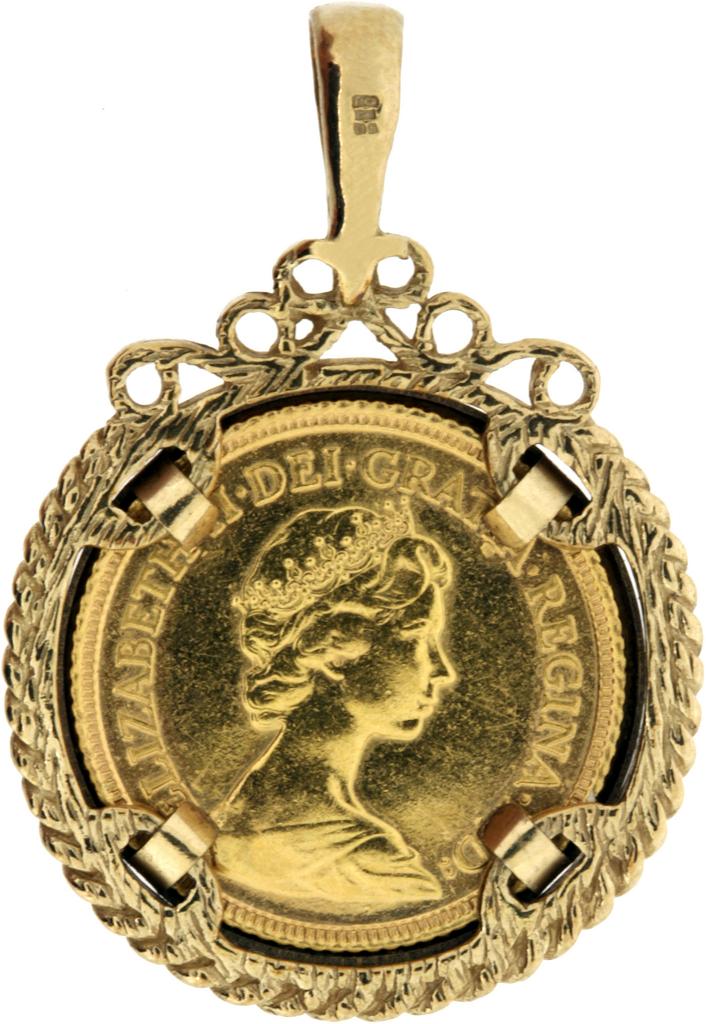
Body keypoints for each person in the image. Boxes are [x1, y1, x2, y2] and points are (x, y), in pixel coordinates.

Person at [215, 500, 458, 914]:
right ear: (335, 654)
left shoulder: (242, 809)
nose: (441, 671)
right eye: (417, 638)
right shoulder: (370, 863)